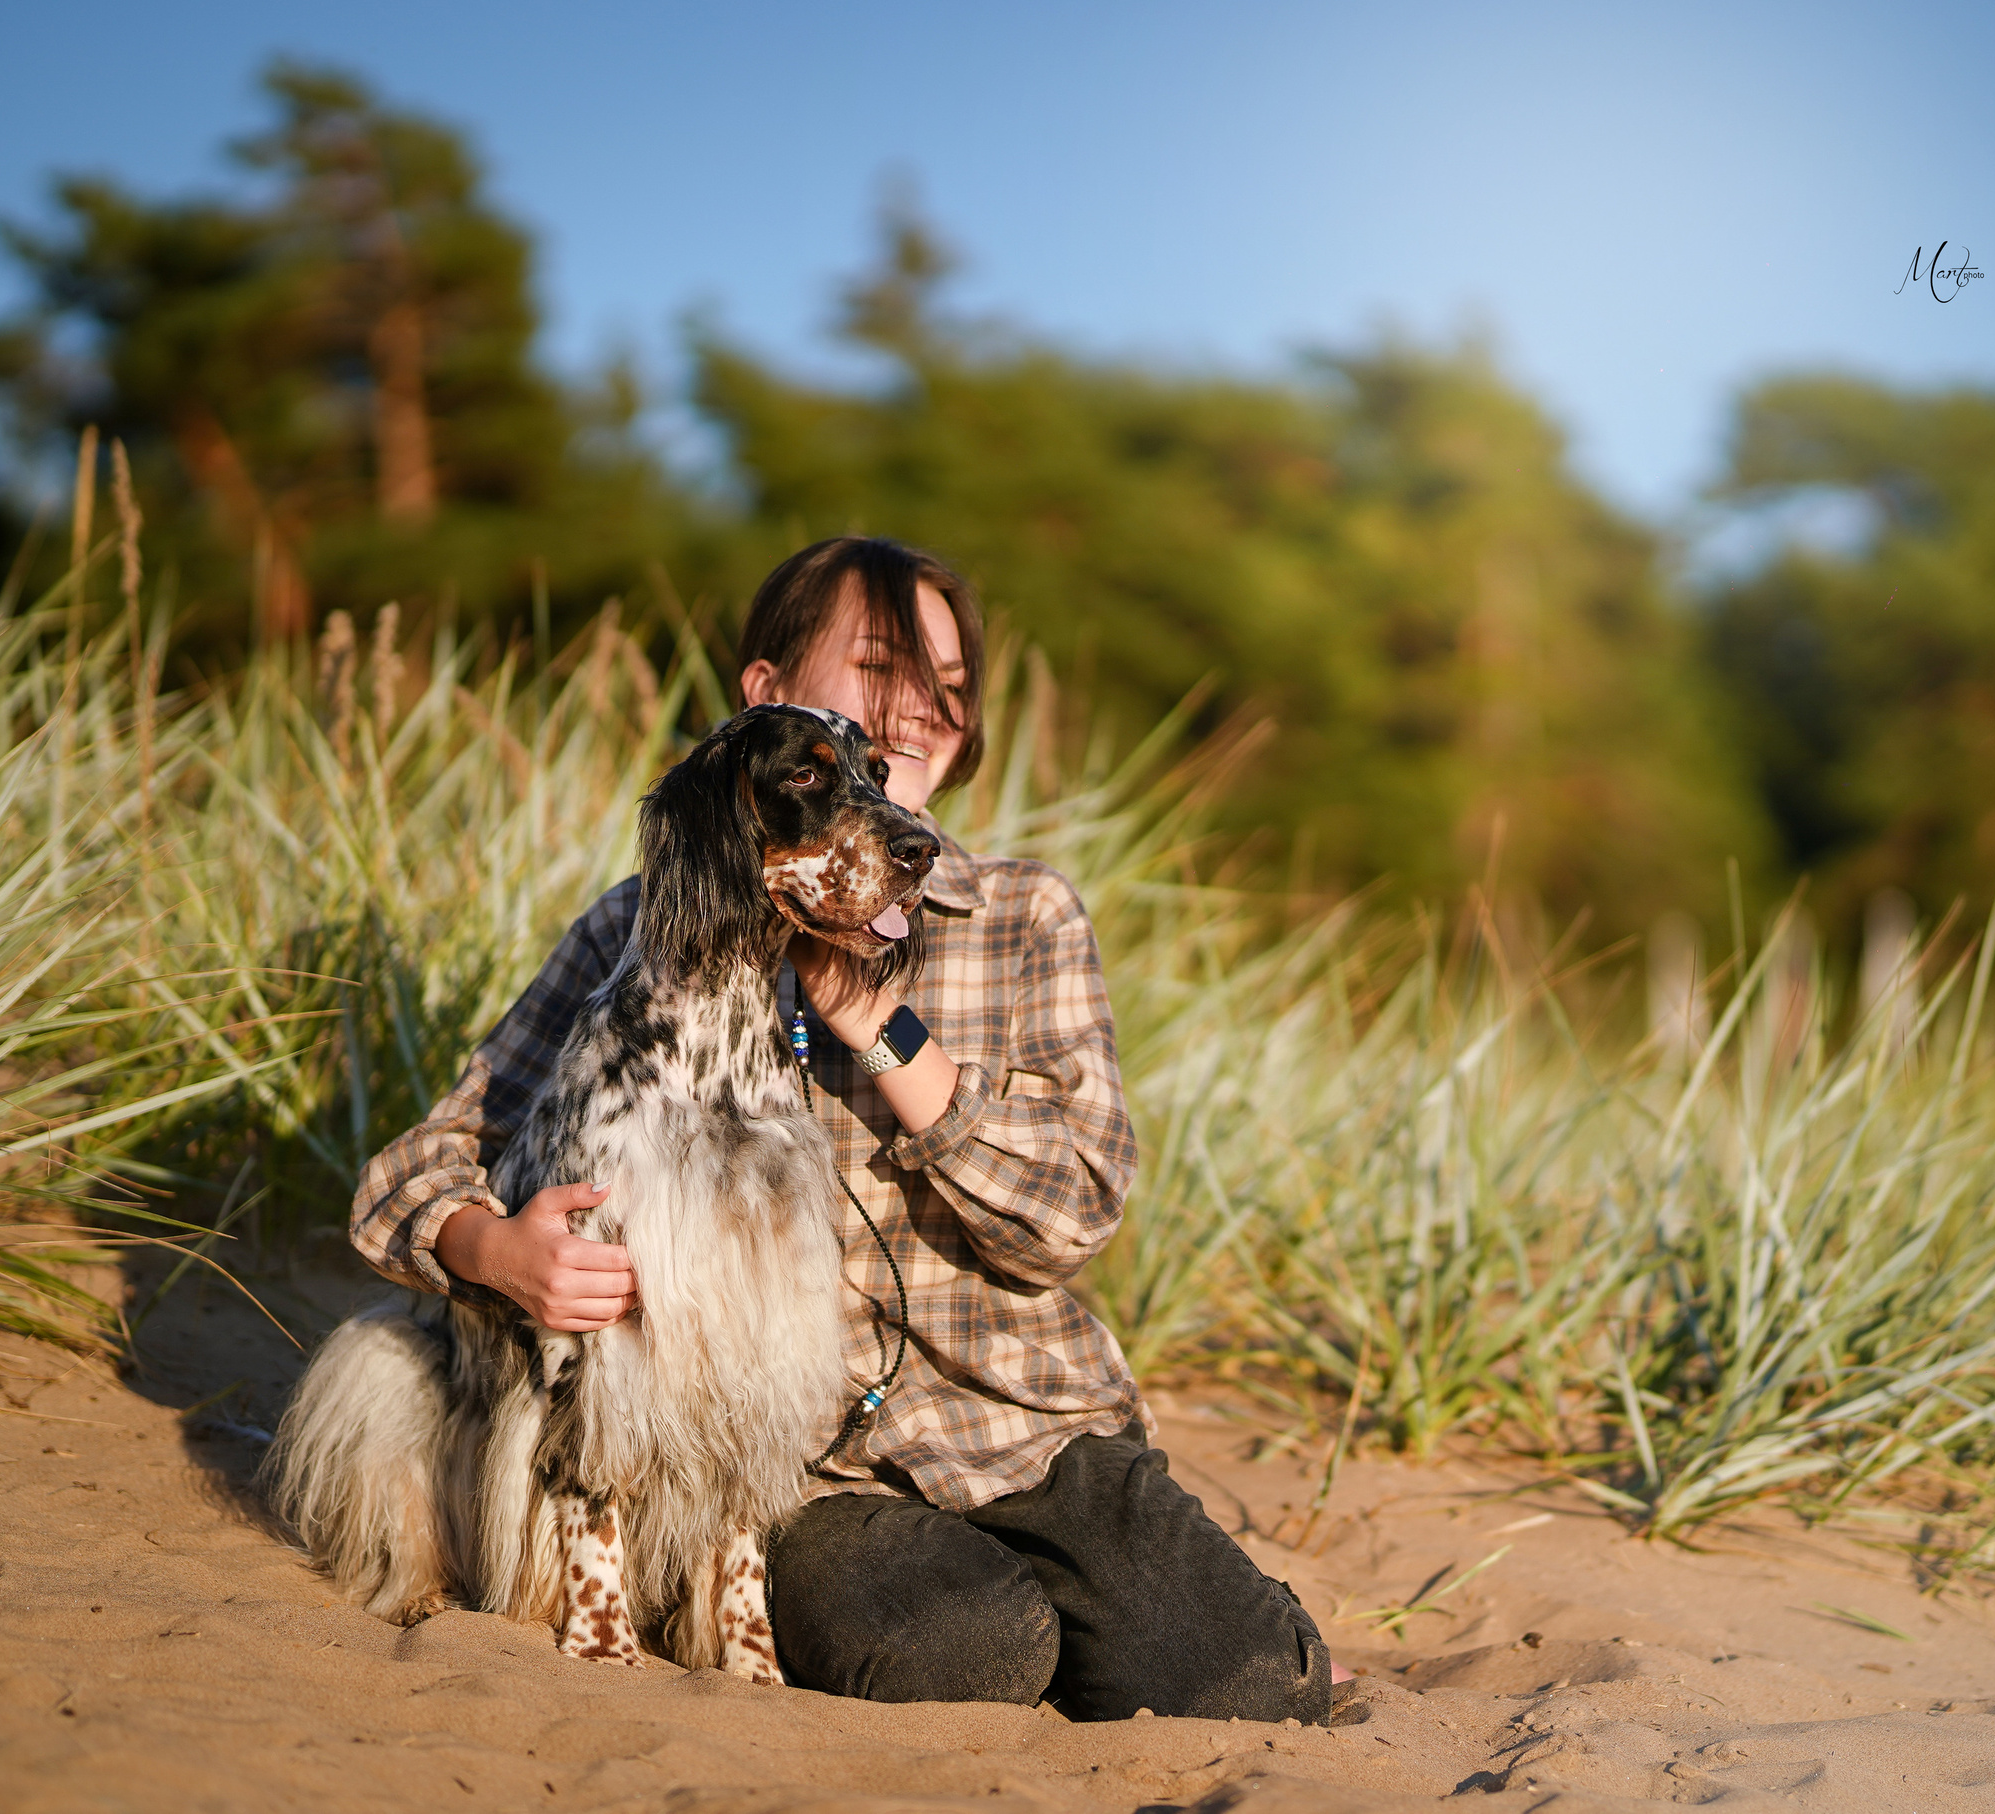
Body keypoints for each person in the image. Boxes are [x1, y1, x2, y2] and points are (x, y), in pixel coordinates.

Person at [349, 536, 1333, 1723]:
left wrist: (877, 1016)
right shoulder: (640, 928)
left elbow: (1069, 1219)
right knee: (956, 1655)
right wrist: (490, 1247)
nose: (918, 708)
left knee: (1245, 1675)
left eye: (949, 687)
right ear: (767, 697)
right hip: (811, 1472)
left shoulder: (1023, 916)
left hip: (1023, 1422)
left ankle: (1088, 1599)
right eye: (880, 666)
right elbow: (415, 1164)